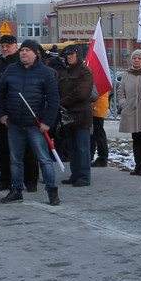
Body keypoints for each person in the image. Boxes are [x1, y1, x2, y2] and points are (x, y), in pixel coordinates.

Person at [0, 39, 62, 205]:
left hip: (36, 126)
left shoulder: (45, 73)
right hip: (15, 124)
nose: (24, 53)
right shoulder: (11, 70)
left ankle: (52, 191)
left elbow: (54, 99)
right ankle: (16, 190)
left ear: (35, 53)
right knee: (15, 159)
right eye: (22, 50)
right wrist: (2, 114)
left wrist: (47, 122)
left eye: (27, 50)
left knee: (44, 159)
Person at [0, 35, 40, 192]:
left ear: (16, 47)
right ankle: (5, 179)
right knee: (3, 150)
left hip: (23, 115)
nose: (5, 48)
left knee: (28, 150)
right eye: (2, 46)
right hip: (1, 116)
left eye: (8, 45)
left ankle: (31, 180)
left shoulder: (25, 64)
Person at [59, 44, 95, 187]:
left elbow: (82, 93)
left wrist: (62, 102)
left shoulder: (85, 71)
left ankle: (84, 177)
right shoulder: (66, 72)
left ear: (78, 55)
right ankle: (75, 175)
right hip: (68, 115)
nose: (69, 57)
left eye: (72, 54)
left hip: (81, 115)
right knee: (72, 148)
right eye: (67, 55)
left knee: (82, 148)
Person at [117, 49, 141, 177]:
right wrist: (123, 103)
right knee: (136, 138)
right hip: (131, 110)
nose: (136, 60)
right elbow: (121, 90)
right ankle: (137, 164)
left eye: (139, 58)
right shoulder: (127, 74)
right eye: (134, 58)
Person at [89, 87, 110, 168]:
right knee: (94, 134)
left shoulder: (98, 79)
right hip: (97, 106)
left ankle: (102, 158)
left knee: (98, 133)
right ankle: (91, 155)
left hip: (97, 107)